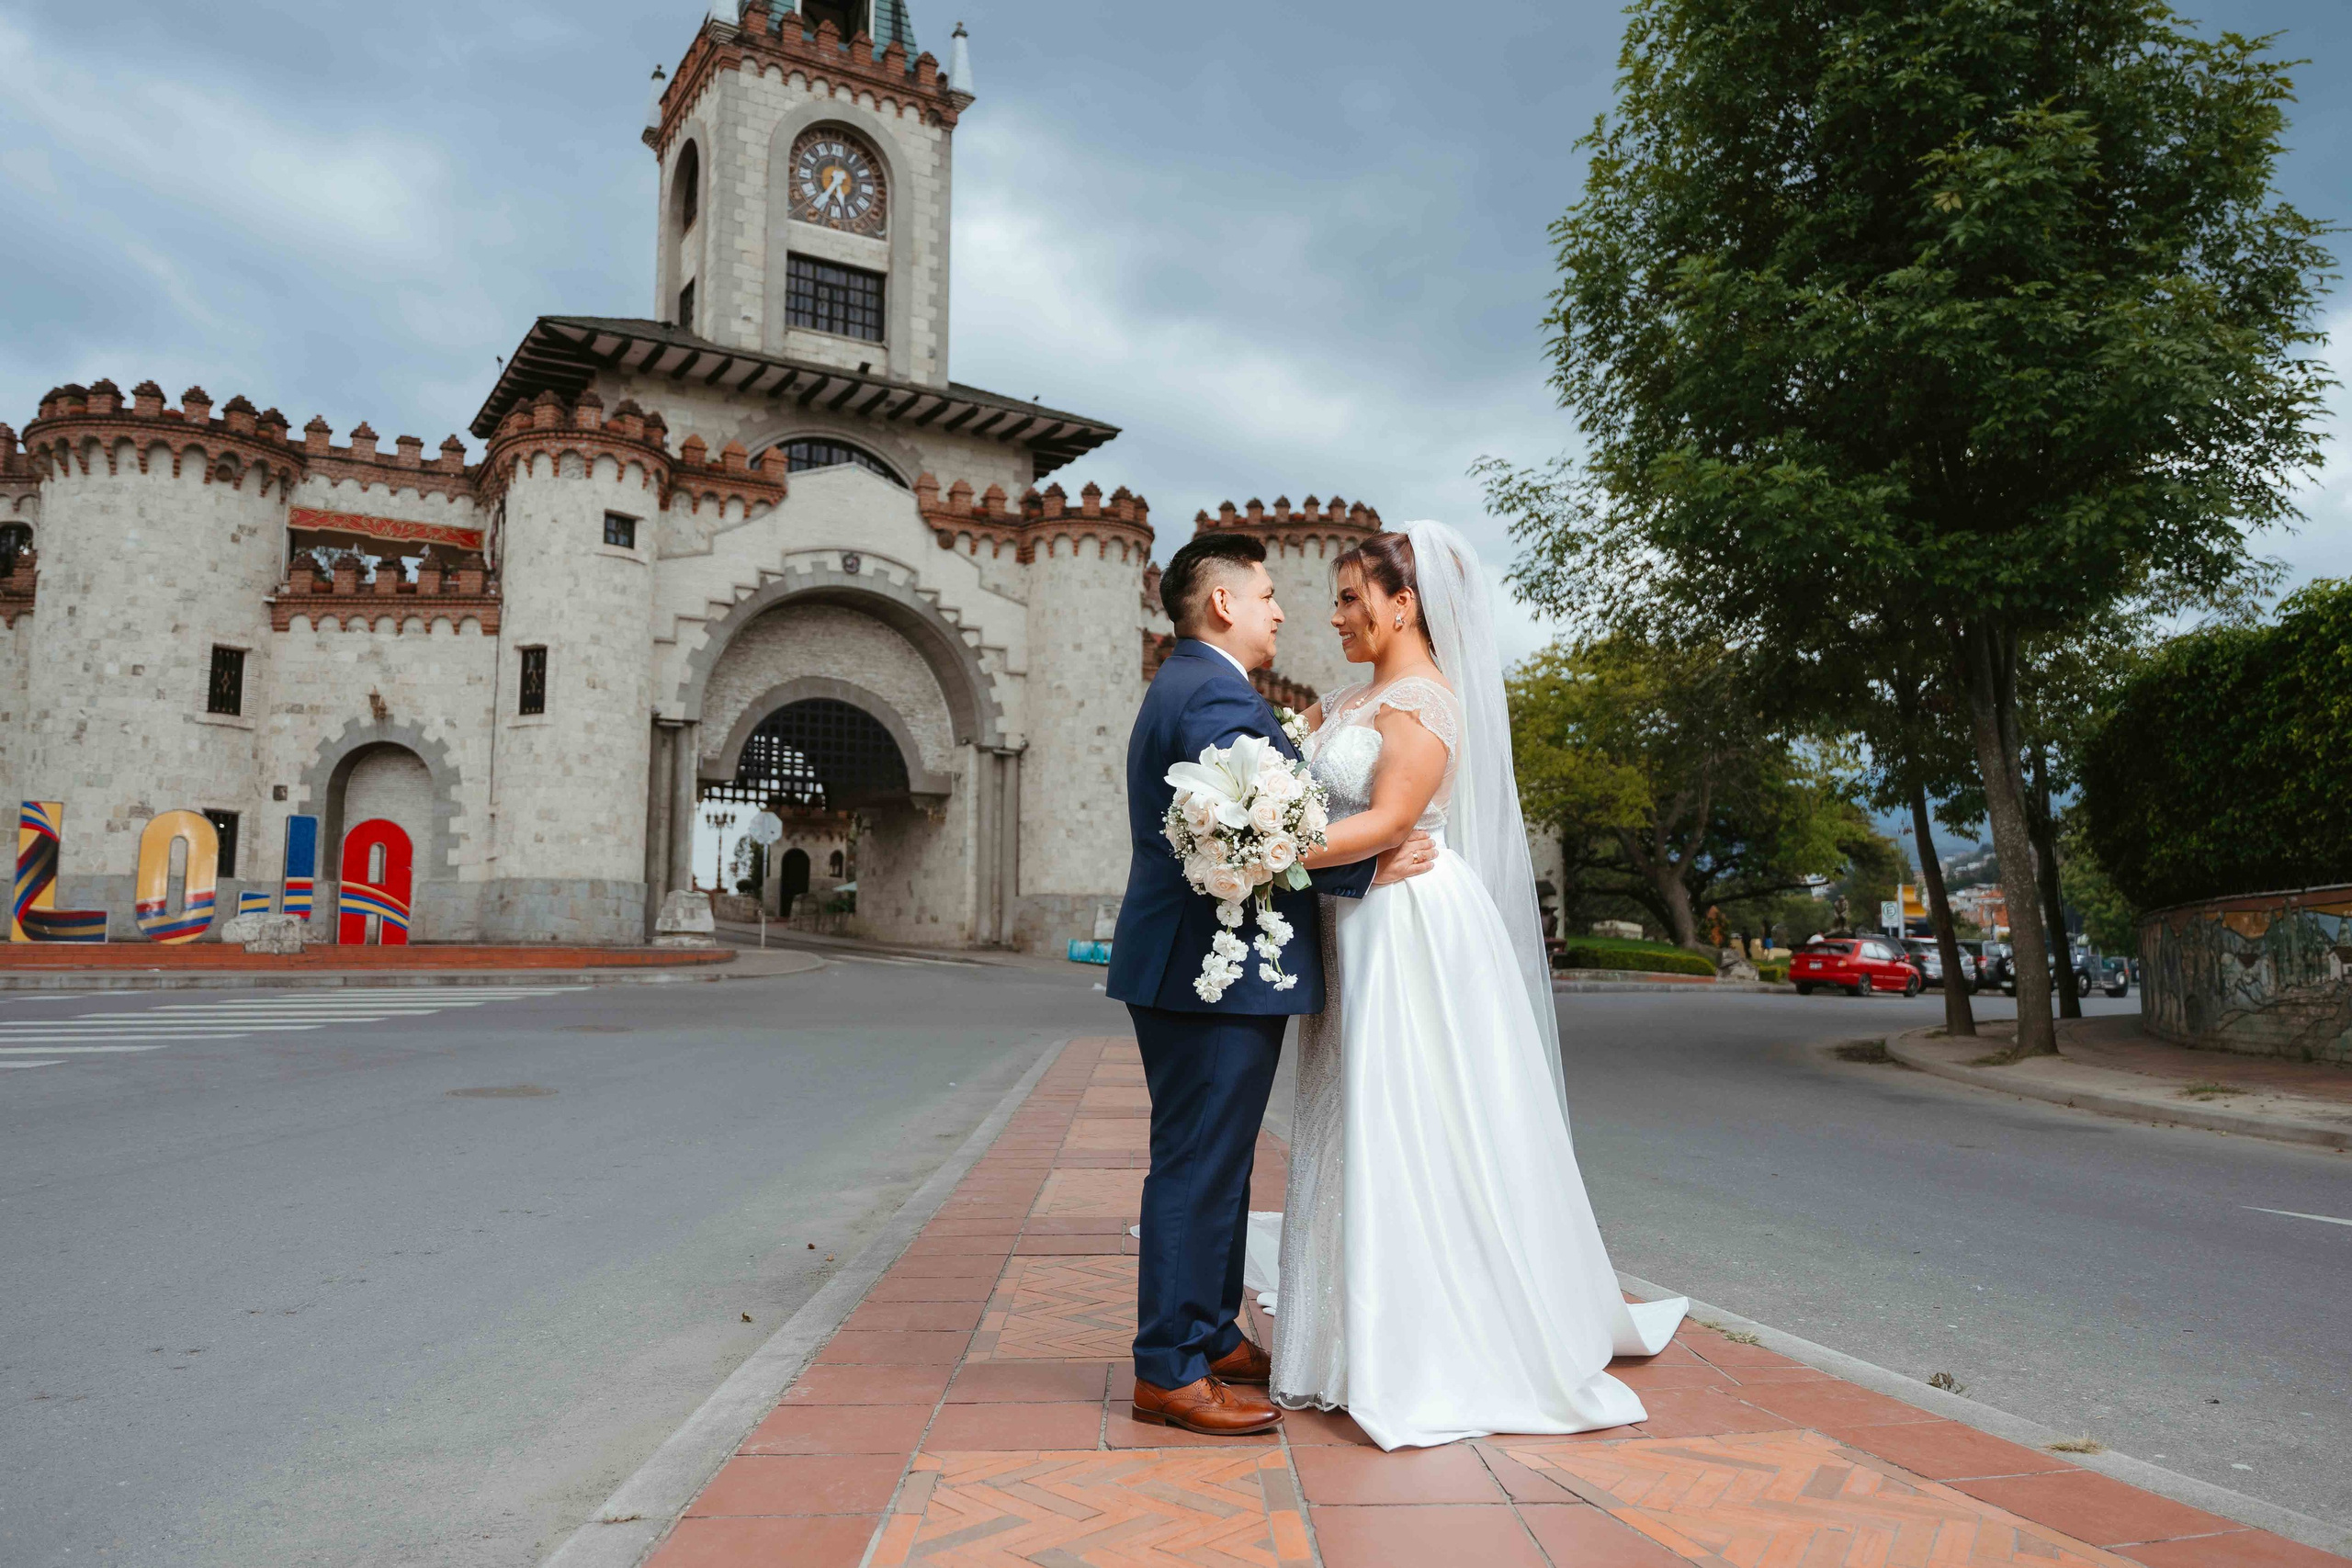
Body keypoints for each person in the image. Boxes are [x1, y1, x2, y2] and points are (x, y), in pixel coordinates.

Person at [1266, 522, 1689, 1450]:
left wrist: (1264, 850)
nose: (1334, 615)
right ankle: (1340, 1336)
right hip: (1355, 914)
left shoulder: (1421, 700)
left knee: (1410, 1112)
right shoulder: (1347, 699)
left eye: (1349, 598)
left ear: (1403, 602)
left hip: (1406, 920)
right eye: (1337, 599)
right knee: (1351, 1111)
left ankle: (1419, 1339)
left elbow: (1387, 821)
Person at [1106, 533, 1435, 1437]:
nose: (1281, 610)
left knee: (1220, 1161)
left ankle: (1209, 1335)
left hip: (1205, 967)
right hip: (1207, 969)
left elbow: (1245, 826)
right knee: (1198, 1165)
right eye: (1266, 594)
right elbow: (1234, 838)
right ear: (1223, 605)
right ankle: (1169, 1369)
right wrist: (1363, 870)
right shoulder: (1210, 691)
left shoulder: (1199, 685)